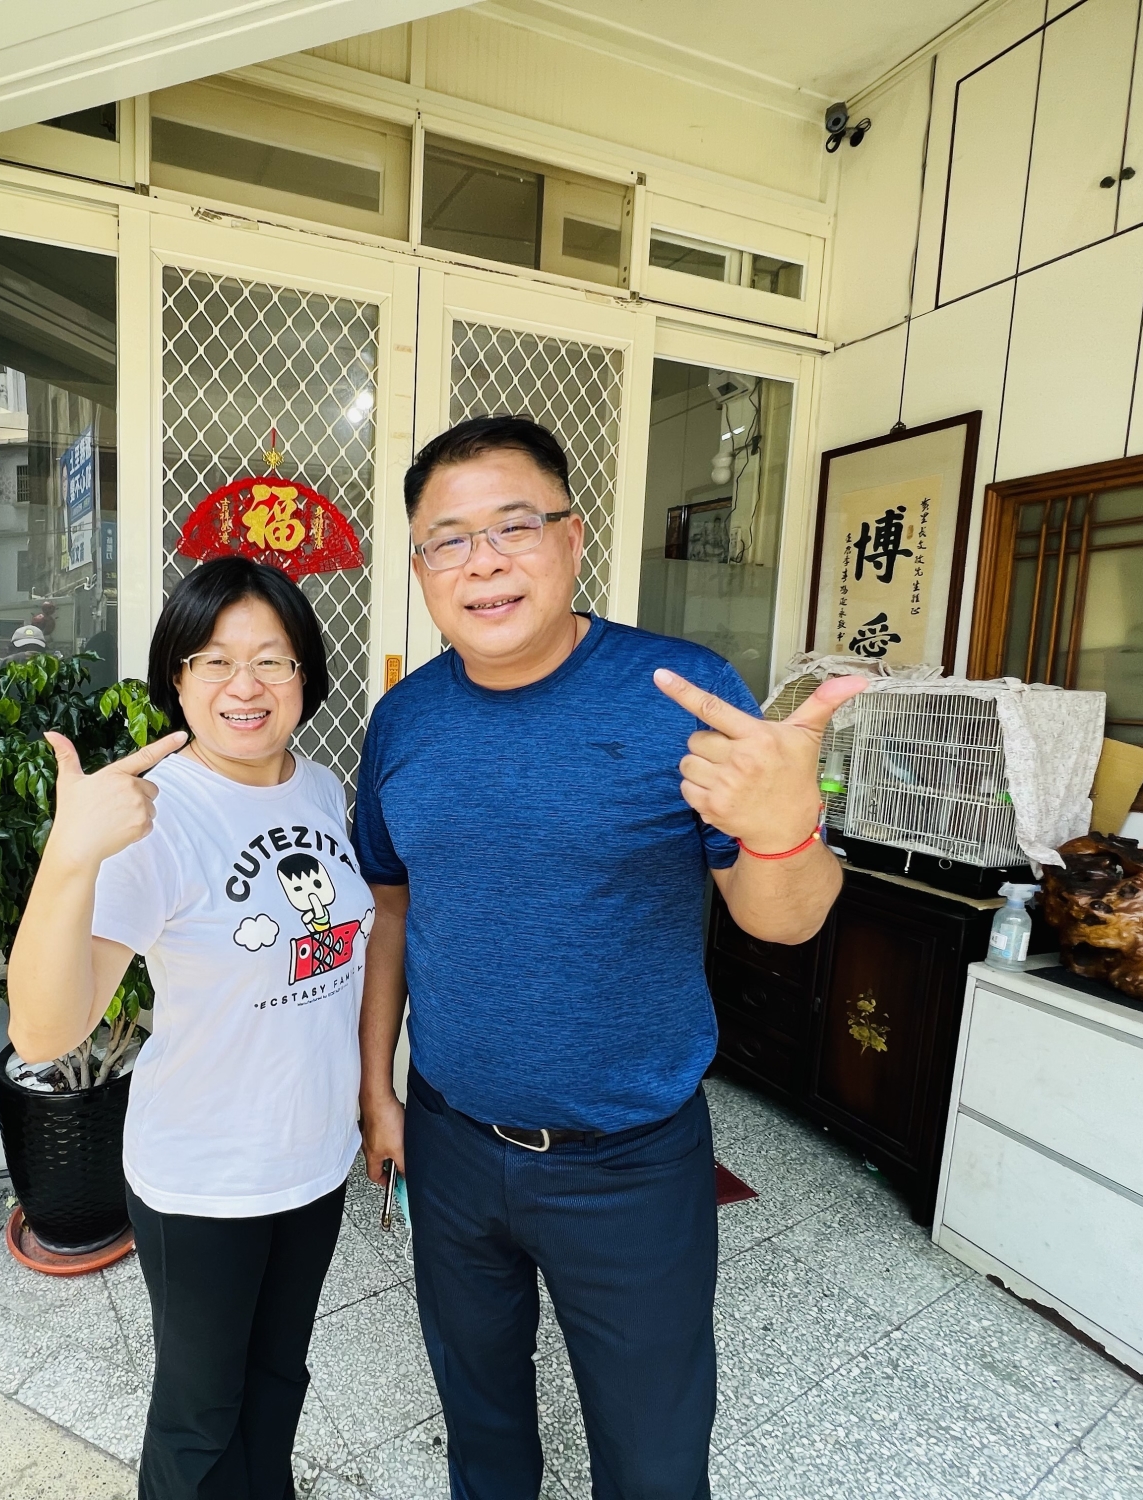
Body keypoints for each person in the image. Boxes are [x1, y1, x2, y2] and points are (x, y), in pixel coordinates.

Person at [353, 415, 861, 1500]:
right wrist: (377, 1091)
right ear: (420, 566)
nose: (484, 562)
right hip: (449, 1139)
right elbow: (391, 912)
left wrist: (785, 828)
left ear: (572, 537)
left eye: (514, 526)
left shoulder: (679, 691)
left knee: (652, 1456)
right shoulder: (402, 721)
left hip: (628, 1163)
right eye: (449, 540)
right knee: (480, 1427)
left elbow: (785, 920)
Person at [8, 556, 372, 1500]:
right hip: (205, 1177)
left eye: (271, 659)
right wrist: (70, 853)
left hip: (313, 1161)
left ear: (305, 675)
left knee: (278, 1384)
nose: (245, 685)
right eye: (214, 661)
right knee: (200, 1419)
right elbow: (44, 1032)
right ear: (177, 679)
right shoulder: (153, 818)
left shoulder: (323, 790)